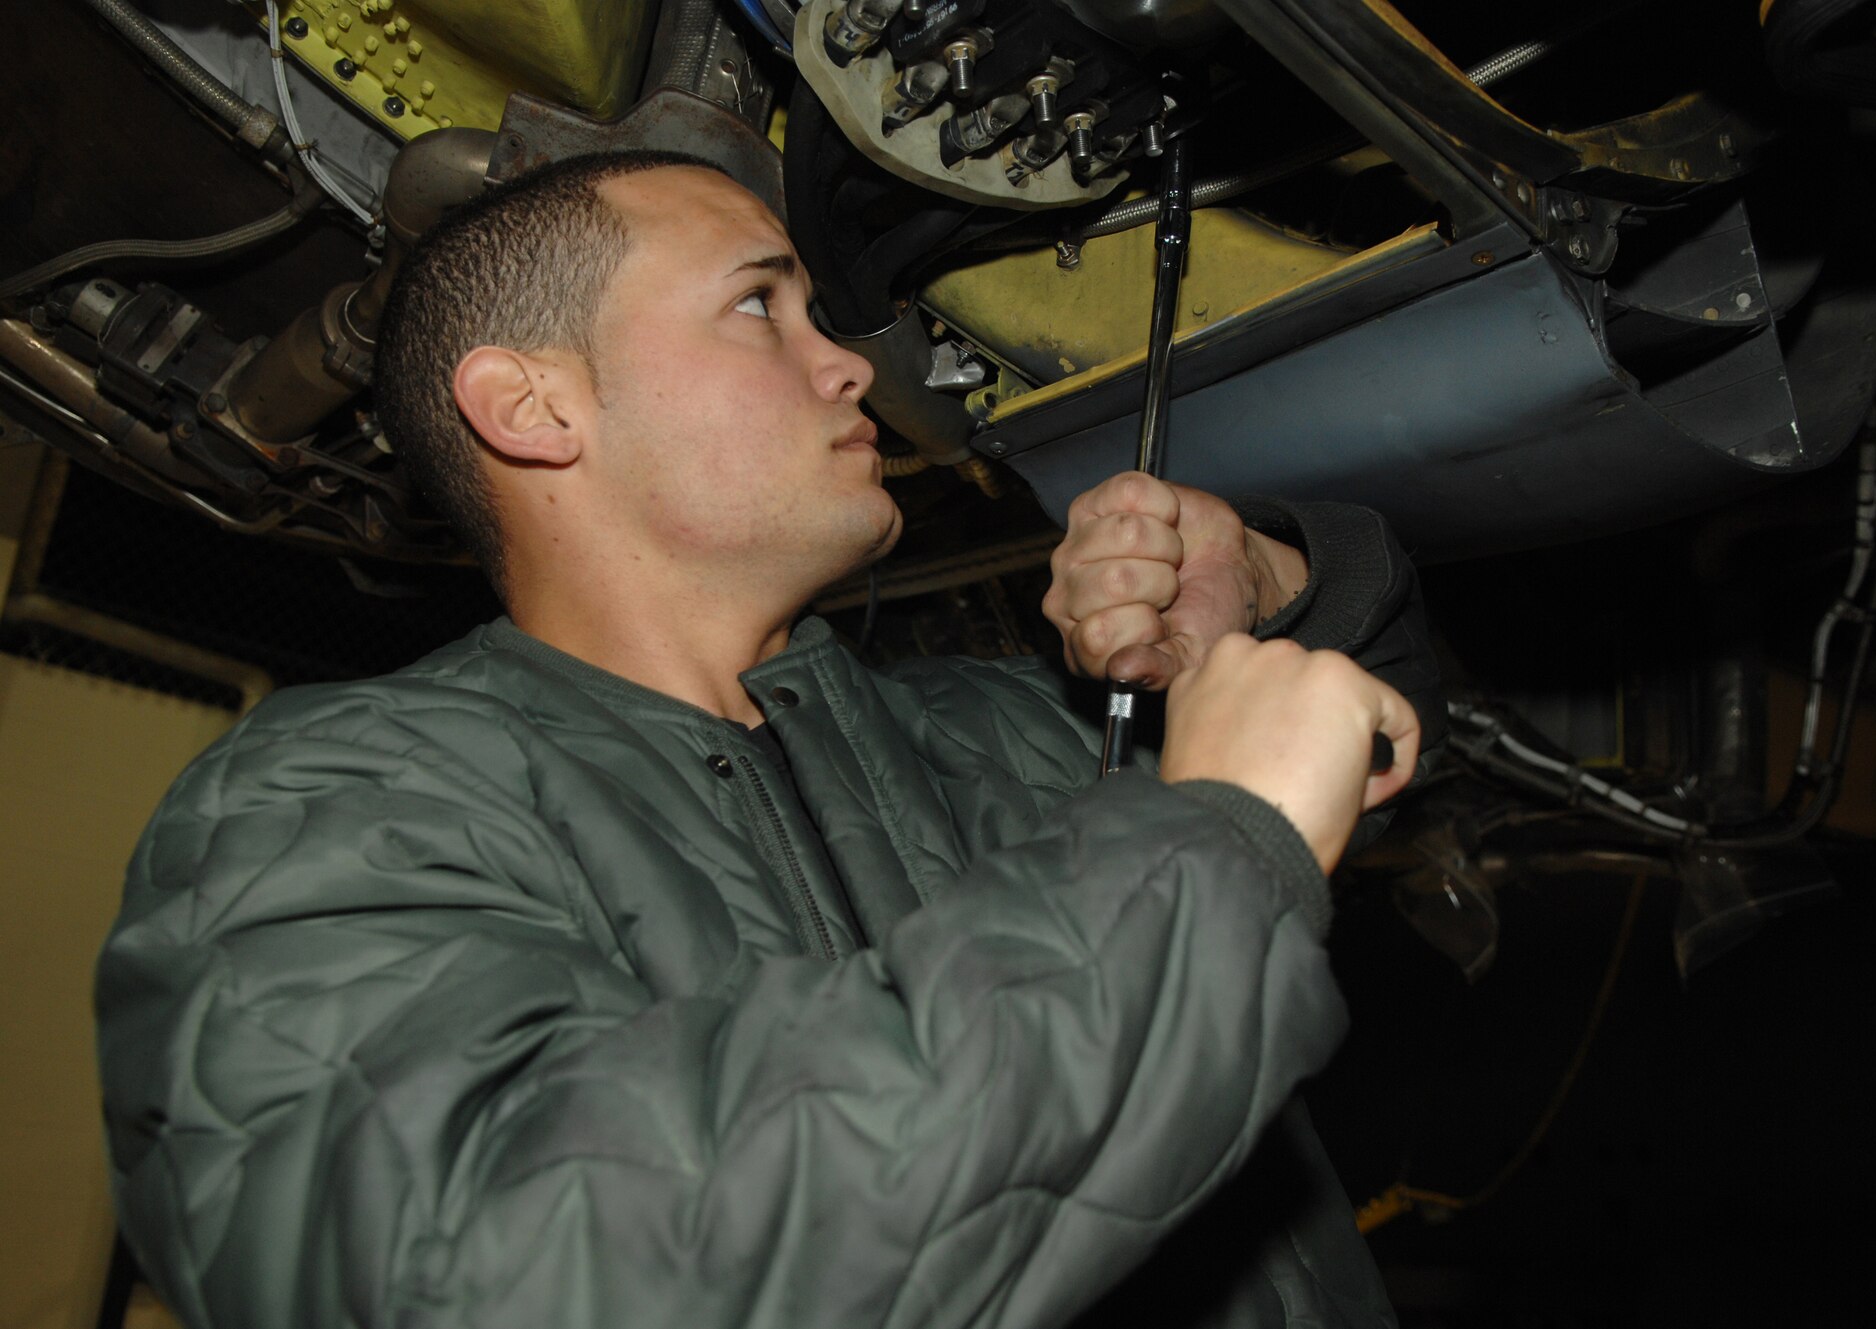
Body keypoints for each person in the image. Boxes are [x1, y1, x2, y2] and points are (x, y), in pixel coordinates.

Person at [96, 150, 1444, 1329]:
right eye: (759, 304)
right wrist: (1210, 852)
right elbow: (505, 1269)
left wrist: (1268, 585)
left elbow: (1394, 781)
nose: (852, 358)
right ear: (534, 406)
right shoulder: (323, 808)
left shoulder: (1007, 729)